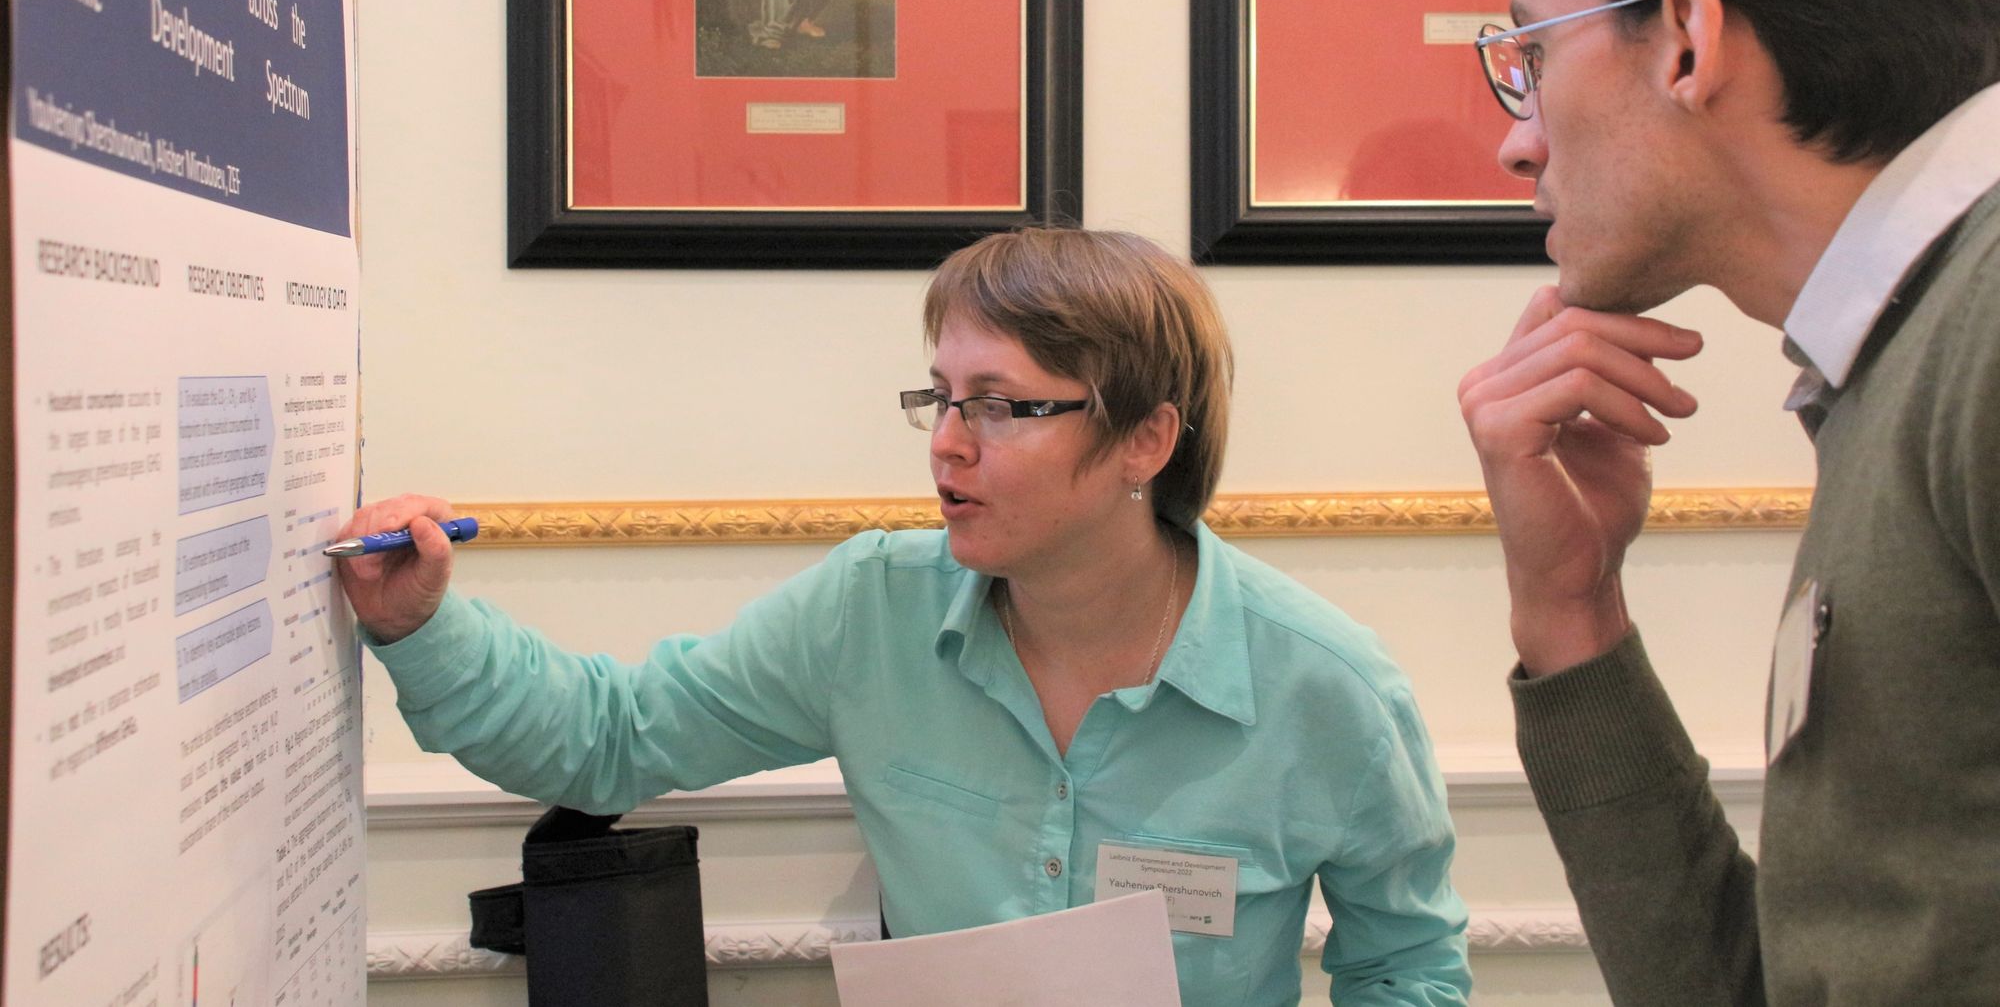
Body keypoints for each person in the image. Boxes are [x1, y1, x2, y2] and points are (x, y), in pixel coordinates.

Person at [340, 227, 1471, 1005]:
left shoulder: (1326, 686)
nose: (947, 441)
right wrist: (421, 623)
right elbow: (609, 736)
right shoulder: (872, 608)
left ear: (1144, 438)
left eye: (999, 404)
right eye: (940, 396)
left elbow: (1408, 965)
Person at [1454, 0, 2000, 1003]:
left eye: (1529, 57)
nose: (1515, 145)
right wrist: (1572, 615)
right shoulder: (1905, 356)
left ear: (1687, 39)